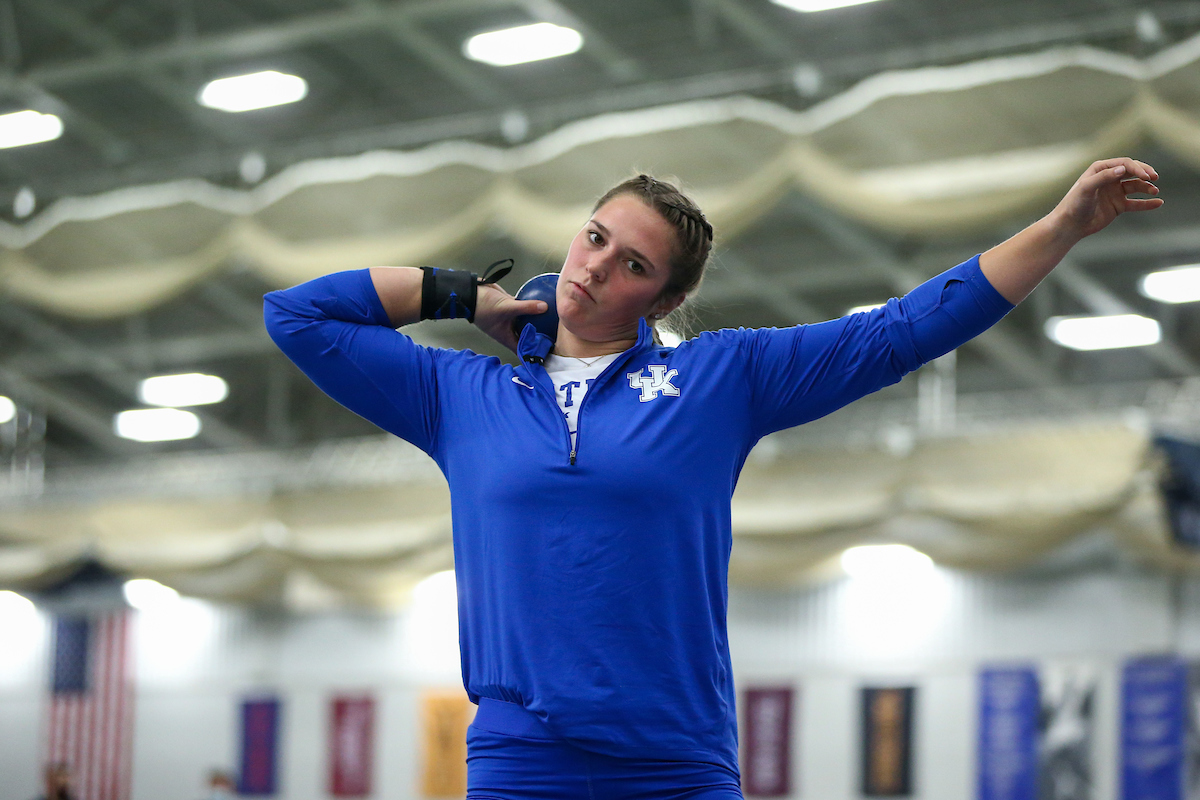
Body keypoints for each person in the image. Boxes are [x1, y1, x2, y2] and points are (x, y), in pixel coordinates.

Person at [264, 159, 1161, 798]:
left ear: (660, 302)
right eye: (595, 236)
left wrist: (1061, 226)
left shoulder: (719, 382)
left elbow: (900, 332)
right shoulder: (460, 394)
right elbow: (297, 315)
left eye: (633, 265)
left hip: (675, 764)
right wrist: (460, 296)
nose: (594, 268)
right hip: (519, 763)